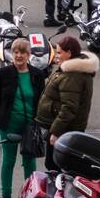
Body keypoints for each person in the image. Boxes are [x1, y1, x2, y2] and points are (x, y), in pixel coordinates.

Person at [0, 38, 45, 198]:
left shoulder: (37, 74)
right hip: (8, 124)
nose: (19, 55)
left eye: (23, 52)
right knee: (9, 161)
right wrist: (2, 116)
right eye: (15, 52)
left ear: (29, 55)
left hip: (30, 126)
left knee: (30, 162)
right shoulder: (3, 73)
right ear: (11, 54)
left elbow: (41, 99)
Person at [36, 35, 96, 171]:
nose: (56, 56)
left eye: (59, 52)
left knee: (55, 166)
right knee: (55, 165)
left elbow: (69, 108)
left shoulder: (72, 76)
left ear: (69, 54)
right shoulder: (70, 70)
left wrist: (56, 132)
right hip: (65, 129)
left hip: (64, 131)